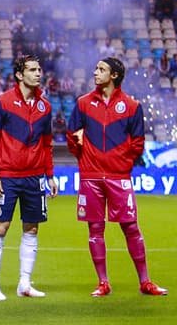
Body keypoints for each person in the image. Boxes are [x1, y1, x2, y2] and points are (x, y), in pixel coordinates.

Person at [67, 58, 167, 297]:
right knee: (95, 228)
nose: (95, 72)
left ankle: (145, 282)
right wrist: (86, 160)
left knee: (130, 226)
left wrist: (122, 163)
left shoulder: (131, 106)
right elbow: (72, 136)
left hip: (118, 176)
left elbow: (138, 143)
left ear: (114, 75)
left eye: (101, 69)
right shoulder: (83, 103)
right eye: (96, 68)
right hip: (91, 176)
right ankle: (103, 282)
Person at [0, 55, 56, 301]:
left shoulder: (45, 107)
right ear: (19, 74)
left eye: (39, 69)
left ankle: (24, 284)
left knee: (32, 228)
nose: (38, 73)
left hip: (34, 177)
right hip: (7, 177)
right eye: (32, 70)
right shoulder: (2, 102)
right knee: (0, 227)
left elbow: (46, 144)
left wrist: (50, 175)